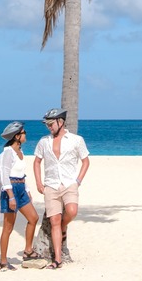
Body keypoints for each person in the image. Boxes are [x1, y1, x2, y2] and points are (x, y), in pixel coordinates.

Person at [34, 108, 90, 269]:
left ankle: (65, 226)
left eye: (51, 124)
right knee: (54, 221)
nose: (49, 127)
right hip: (51, 185)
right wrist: (39, 183)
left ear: (61, 122)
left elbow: (85, 161)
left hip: (69, 183)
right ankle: (57, 259)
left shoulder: (76, 140)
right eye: (47, 125)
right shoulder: (44, 141)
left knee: (72, 211)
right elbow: (36, 162)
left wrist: (78, 180)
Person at [0, 121, 40, 271]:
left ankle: (28, 250)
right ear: (17, 136)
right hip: (10, 190)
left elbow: (21, 174)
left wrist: (27, 190)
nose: (26, 134)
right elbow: (4, 175)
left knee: (33, 218)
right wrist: (11, 196)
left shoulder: (20, 152)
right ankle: (3, 261)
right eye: (23, 132)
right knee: (8, 227)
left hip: (20, 188)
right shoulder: (7, 152)